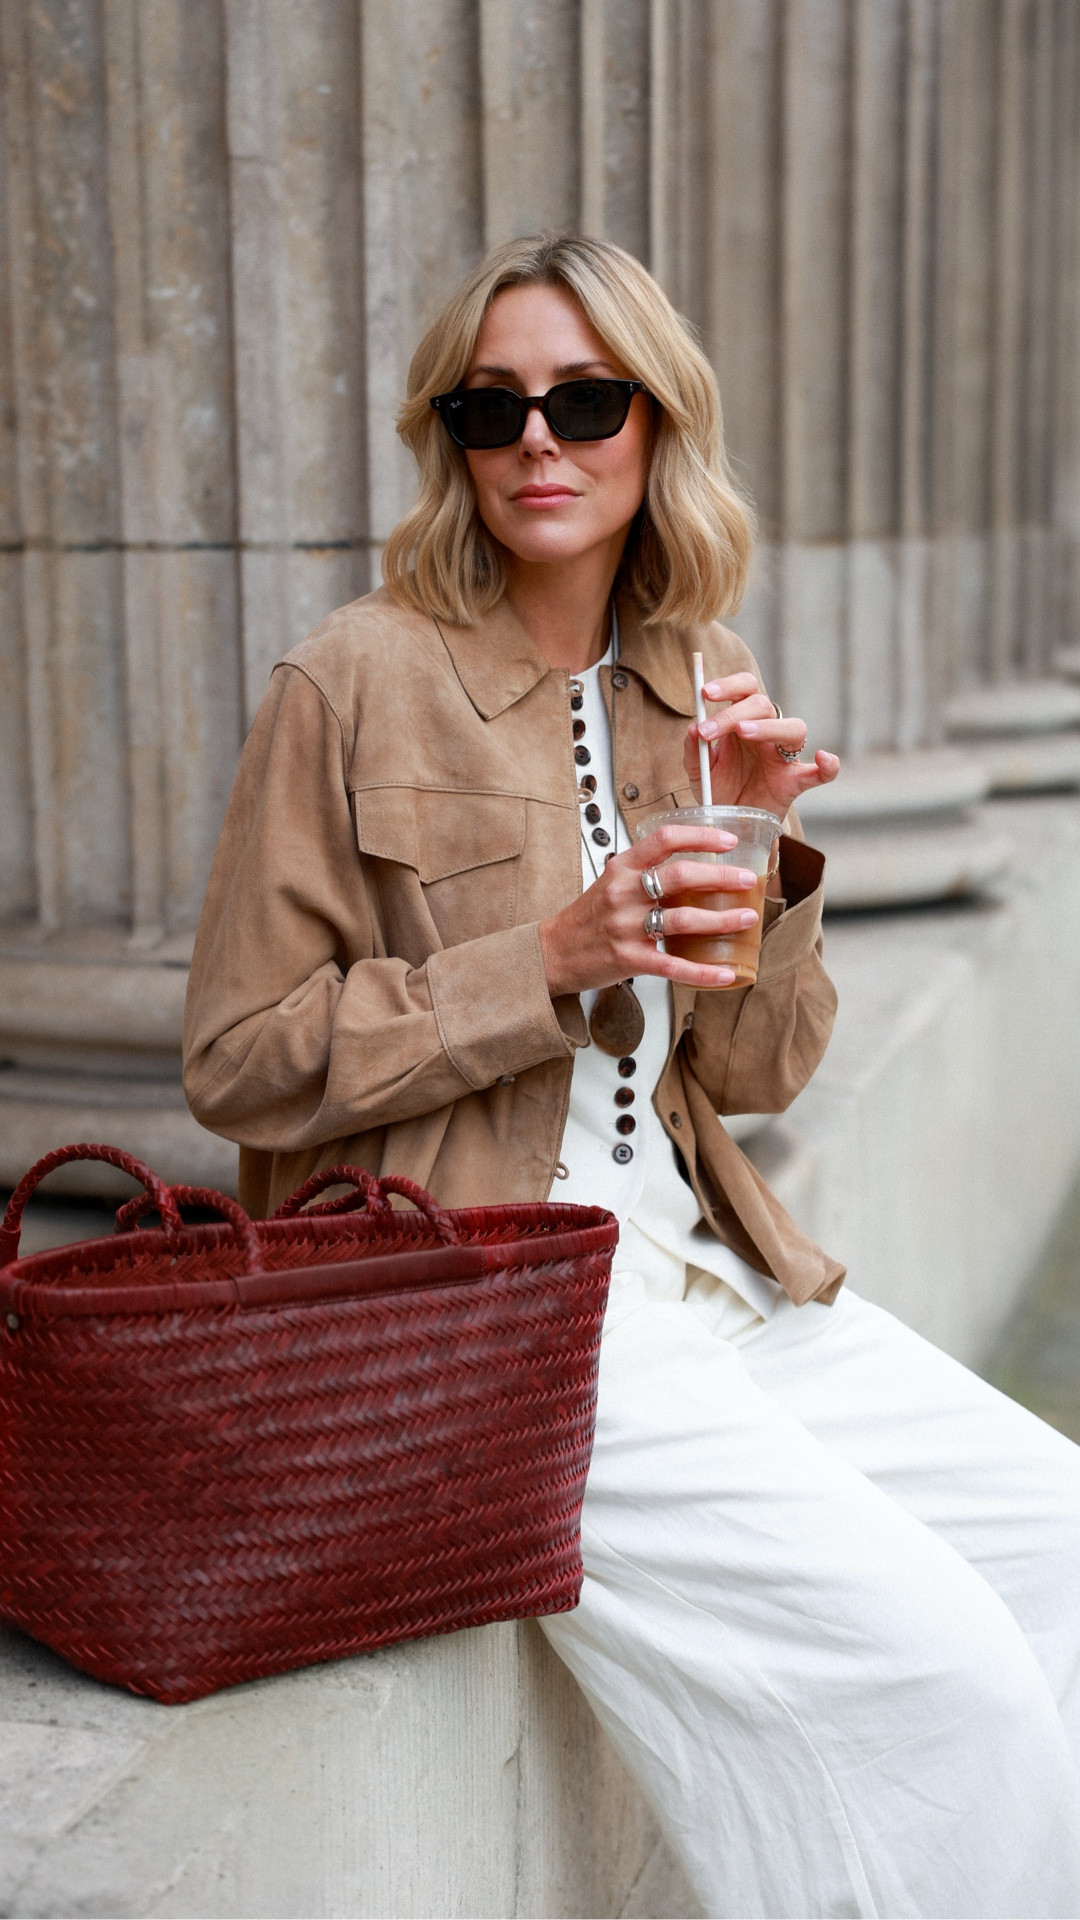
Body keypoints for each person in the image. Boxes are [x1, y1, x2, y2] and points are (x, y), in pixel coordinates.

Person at [183, 233, 1080, 1919]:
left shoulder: (695, 673)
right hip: (489, 1302)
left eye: (586, 401)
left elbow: (756, 1071)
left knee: (1065, 1549)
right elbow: (239, 1058)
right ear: (448, 439)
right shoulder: (353, 677)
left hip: (709, 1273)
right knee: (945, 1673)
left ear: (656, 427)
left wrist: (771, 853)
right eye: (493, 407)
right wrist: (545, 962)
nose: (541, 440)